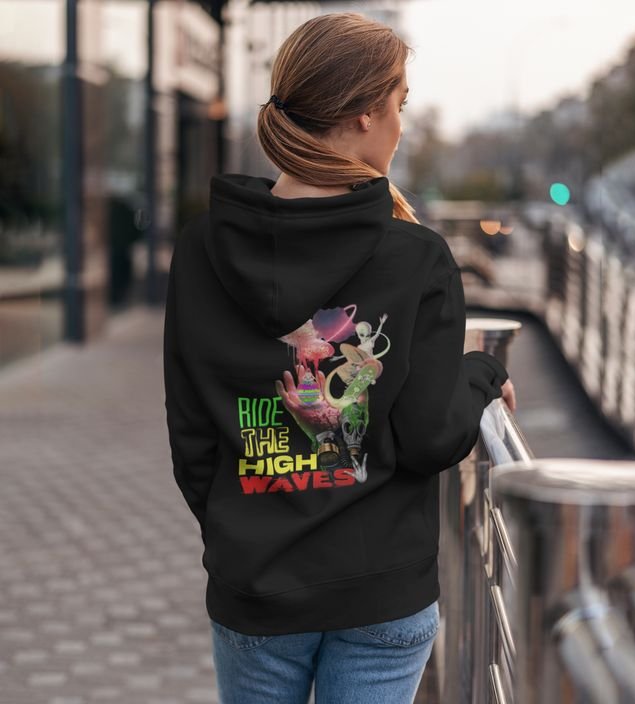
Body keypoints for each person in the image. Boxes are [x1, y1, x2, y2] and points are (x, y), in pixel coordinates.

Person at [163, 11, 516, 704]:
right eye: (400, 105)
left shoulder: (201, 250)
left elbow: (192, 438)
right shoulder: (418, 257)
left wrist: (246, 541)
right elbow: (429, 437)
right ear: (363, 114)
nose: (401, 126)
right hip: (380, 592)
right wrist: (483, 374)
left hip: (255, 587)